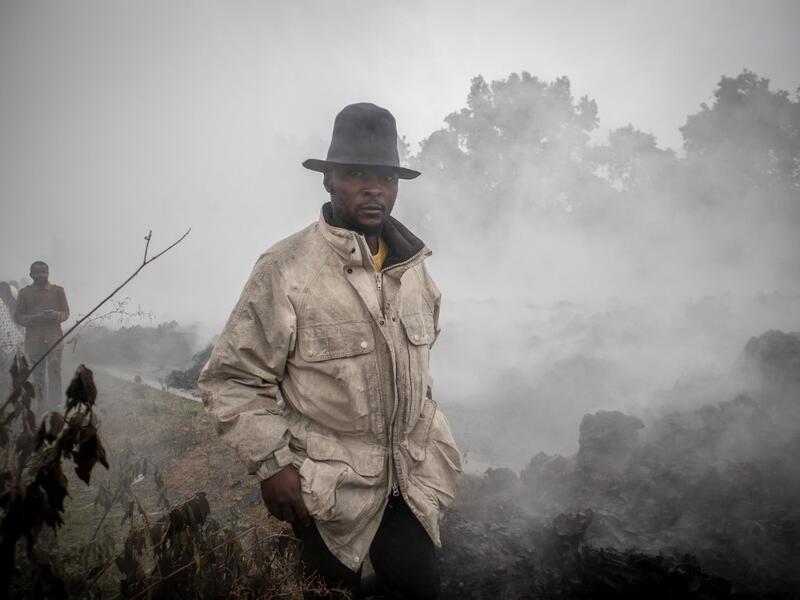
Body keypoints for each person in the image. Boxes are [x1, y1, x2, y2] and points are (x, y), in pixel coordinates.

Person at [200, 103, 462, 599]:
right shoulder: (287, 268)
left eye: (385, 176)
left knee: (419, 587)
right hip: (326, 488)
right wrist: (271, 464)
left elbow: (419, 370)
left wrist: (435, 444)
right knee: (326, 592)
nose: (373, 188)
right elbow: (231, 379)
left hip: (411, 481)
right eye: (355, 174)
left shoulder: (414, 270)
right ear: (328, 181)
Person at [14, 261, 70, 410]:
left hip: (54, 339)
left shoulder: (58, 291)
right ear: (31, 274)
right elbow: (18, 317)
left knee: (55, 372)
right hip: (34, 341)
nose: (41, 275)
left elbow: (66, 313)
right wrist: (34, 318)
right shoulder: (24, 293)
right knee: (38, 374)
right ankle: (41, 406)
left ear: (48, 273)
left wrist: (55, 315)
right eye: (37, 272)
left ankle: (56, 405)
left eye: (43, 272)